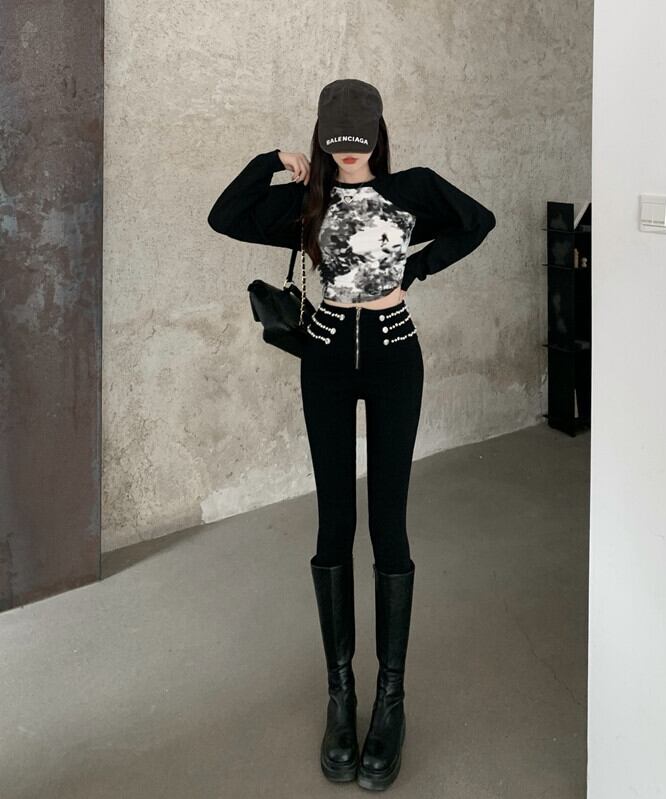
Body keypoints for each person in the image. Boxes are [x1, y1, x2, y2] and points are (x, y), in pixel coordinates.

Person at [207, 78, 495, 790]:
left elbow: (478, 220)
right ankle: (342, 696)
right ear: (322, 136)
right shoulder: (307, 202)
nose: (348, 151)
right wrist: (270, 160)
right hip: (327, 358)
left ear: (376, 134)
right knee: (334, 523)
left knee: (389, 525)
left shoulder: (412, 190)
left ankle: (391, 701)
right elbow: (226, 215)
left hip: (396, 356)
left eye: (357, 138)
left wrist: (415, 267)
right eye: (337, 139)